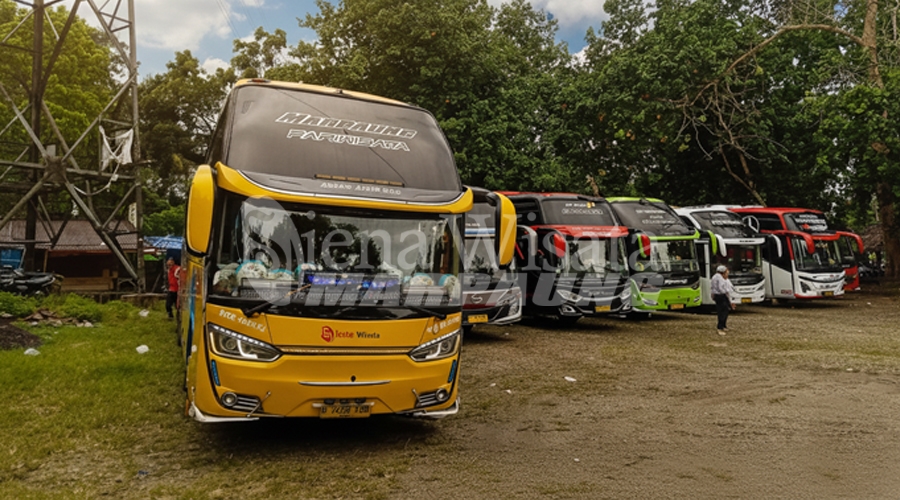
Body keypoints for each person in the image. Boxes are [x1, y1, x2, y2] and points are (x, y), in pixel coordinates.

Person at [710, 265, 736, 335]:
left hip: (718, 295)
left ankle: (723, 325)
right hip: (720, 295)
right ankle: (720, 326)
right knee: (723, 310)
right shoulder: (719, 277)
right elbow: (721, 288)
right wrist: (726, 291)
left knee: (724, 310)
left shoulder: (715, 277)